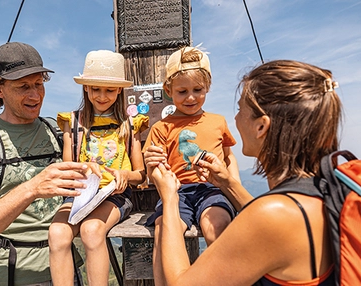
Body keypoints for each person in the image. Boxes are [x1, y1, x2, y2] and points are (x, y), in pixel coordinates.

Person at [148, 60, 339, 285]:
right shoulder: (316, 193)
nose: (235, 118)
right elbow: (256, 213)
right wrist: (228, 182)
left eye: (240, 109)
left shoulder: (275, 213)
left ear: (261, 127)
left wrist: (169, 198)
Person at [0, 42, 100, 286]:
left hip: (67, 272)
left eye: (39, 84)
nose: (35, 95)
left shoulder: (60, 132)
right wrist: (32, 188)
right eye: (23, 87)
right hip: (12, 277)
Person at [48, 50, 148, 286]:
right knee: (57, 233)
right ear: (86, 89)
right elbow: (67, 168)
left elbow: (140, 175)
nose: (102, 96)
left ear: (119, 90)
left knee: (92, 230)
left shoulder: (130, 124)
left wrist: (124, 175)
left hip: (114, 195)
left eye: (109, 90)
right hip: (80, 194)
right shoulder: (73, 123)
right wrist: (84, 167)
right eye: (96, 89)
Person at [142, 46, 240, 285]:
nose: (191, 97)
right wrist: (152, 168)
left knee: (217, 225)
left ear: (207, 87)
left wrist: (233, 185)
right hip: (176, 192)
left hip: (212, 189)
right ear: (169, 91)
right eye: (182, 91)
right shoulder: (161, 128)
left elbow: (228, 157)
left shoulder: (217, 122)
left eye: (198, 90)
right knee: (164, 230)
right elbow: (152, 169)